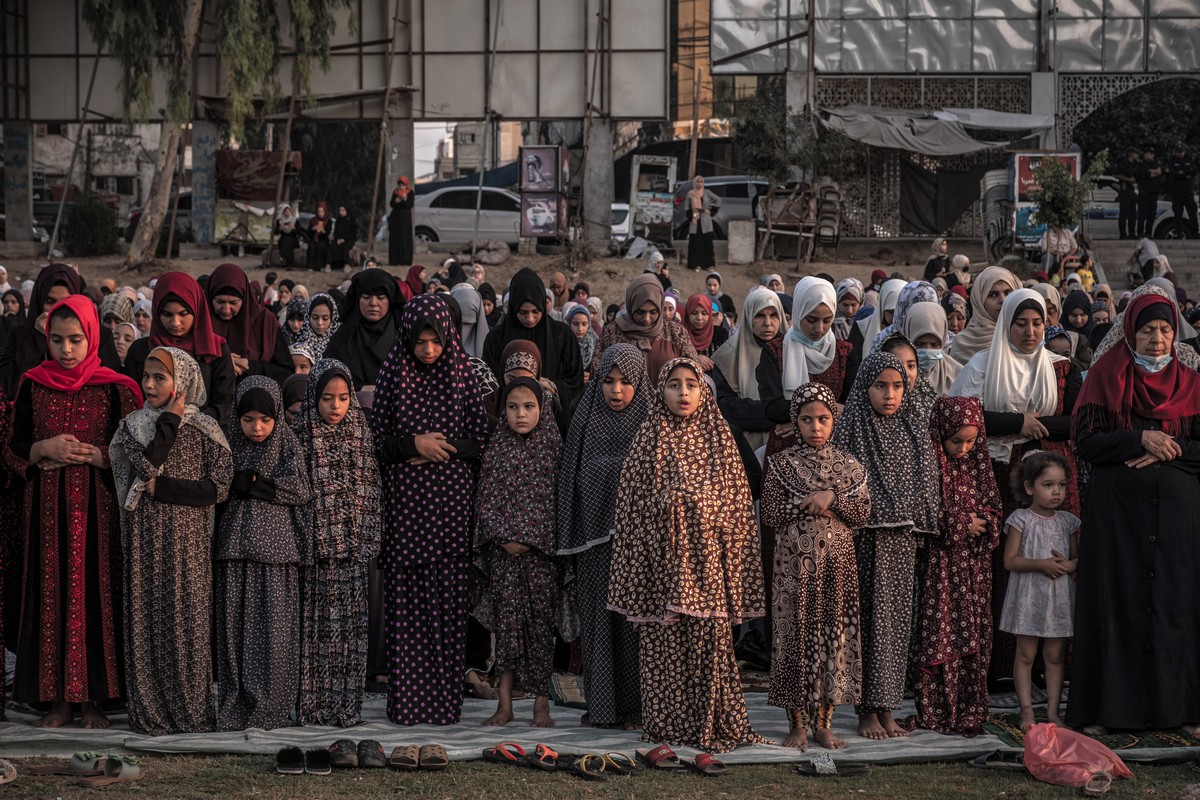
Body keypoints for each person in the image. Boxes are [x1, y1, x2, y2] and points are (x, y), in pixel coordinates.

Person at [608, 357, 767, 752]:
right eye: (674, 384)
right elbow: (631, 507)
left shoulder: (720, 437)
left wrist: (700, 507)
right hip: (663, 566)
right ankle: (668, 726)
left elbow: (738, 505)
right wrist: (671, 507)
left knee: (708, 643)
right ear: (660, 390)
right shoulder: (649, 439)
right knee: (664, 644)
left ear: (703, 390)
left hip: (707, 566)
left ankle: (713, 721)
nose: (683, 393)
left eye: (692, 385)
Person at [5, 296, 142, 729]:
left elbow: (133, 450)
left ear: (92, 337)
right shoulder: (33, 383)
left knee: (93, 599)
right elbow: (10, 448)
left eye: (76, 340)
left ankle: (94, 702)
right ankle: (57, 701)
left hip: (97, 517)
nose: (66, 350)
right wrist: (41, 449)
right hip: (45, 516)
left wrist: (99, 456)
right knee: (51, 597)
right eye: (58, 340)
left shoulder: (116, 387)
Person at [1070, 292, 1200, 735]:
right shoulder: (1105, 377)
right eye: (1147, 330)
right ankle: (1111, 712)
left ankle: (1179, 710)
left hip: (1177, 524)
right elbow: (1085, 442)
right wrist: (1138, 440)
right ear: (1131, 332)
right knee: (1116, 605)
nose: (1157, 340)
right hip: (1118, 521)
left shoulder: (1192, 383)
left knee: (1175, 606)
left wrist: (1170, 450)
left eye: (1165, 330)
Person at [372, 295, 488, 725]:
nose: (427, 351)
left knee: (448, 607)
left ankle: (443, 704)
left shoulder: (461, 375)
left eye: (435, 342)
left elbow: (481, 440)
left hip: (451, 511)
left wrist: (445, 446)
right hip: (407, 510)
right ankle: (408, 704)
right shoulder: (394, 374)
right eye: (420, 342)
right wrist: (412, 445)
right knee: (408, 604)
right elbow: (377, 441)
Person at [110, 346, 233, 735]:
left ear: (181, 382)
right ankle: (151, 714)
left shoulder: (206, 429)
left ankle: (192, 713)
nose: (148, 384)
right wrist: (169, 422)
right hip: (145, 537)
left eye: (159, 377)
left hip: (189, 540)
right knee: (147, 619)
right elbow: (143, 465)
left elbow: (219, 488)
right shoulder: (132, 426)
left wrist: (160, 488)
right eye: (146, 376)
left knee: (188, 620)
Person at [831, 351, 939, 740]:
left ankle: (888, 706)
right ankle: (865, 712)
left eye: (897, 386)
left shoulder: (913, 427)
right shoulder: (853, 427)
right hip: (865, 541)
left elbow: (926, 482)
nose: (890, 395)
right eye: (880, 386)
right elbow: (841, 482)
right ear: (865, 388)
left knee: (895, 624)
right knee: (867, 623)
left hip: (902, 544)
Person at [761, 382, 870, 750]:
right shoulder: (780, 464)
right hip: (793, 570)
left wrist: (833, 496)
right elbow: (771, 513)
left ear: (833, 420)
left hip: (836, 571)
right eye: (806, 420)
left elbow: (863, 512)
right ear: (796, 422)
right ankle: (797, 725)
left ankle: (824, 723)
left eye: (823, 419)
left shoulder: (850, 467)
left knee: (832, 642)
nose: (816, 427)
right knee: (794, 639)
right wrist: (811, 502)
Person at [557, 344, 650, 730]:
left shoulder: (649, 422)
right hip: (594, 545)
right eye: (609, 381)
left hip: (637, 547)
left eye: (626, 382)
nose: (616, 390)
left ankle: (633, 710)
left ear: (640, 383)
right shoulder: (585, 420)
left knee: (633, 629)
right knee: (598, 626)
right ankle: (601, 708)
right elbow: (568, 478)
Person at [214, 376, 312, 731]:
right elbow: (218, 484)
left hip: (276, 552)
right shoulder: (227, 444)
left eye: (266, 419)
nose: (257, 428)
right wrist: (236, 482)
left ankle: (271, 706)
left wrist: (254, 483)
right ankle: (236, 705)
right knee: (235, 633)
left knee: (274, 635)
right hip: (235, 550)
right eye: (248, 419)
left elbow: (300, 489)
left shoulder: (287, 443)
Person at [292, 358, 381, 727]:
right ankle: (314, 707)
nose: (336, 406)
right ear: (314, 397)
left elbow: (371, 489)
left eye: (344, 398)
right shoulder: (301, 435)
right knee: (316, 633)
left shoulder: (361, 433)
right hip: (317, 554)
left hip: (354, 552)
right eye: (327, 398)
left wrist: (364, 539)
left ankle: (347, 706)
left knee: (351, 633)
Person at [475, 377, 561, 728]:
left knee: (541, 629)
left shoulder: (553, 447)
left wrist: (530, 537)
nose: (521, 415)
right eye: (512, 407)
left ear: (542, 408)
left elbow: (555, 501)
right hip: (503, 557)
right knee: (506, 630)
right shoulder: (496, 448)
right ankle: (505, 704)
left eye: (529, 407)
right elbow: (486, 499)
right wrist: (501, 537)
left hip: (541, 557)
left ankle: (542, 704)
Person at [914, 396, 1002, 735]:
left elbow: (994, 506)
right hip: (941, 570)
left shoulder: (979, 467)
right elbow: (922, 513)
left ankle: (969, 708)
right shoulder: (927, 465)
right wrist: (958, 523)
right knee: (941, 634)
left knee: (974, 636)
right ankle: (938, 709)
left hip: (975, 571)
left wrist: (985, 522)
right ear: (939, 434)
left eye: (970, 440)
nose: (964, 448)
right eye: (955, 441)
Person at [1000, 451, 1078, 731]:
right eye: (1048, 485)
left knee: (1055, 656)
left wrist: (1069, 565)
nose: (1056, 492)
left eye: (1061, 484)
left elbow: (1075, 559)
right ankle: (1026, 711)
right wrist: (1042, 564)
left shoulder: (1068, 521)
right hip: (1029, 596)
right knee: (1026, 655)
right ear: (1029, 487)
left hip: (1058, 599)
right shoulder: (1020, 519)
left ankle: (1054, 712)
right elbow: (1010, 561)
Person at [123, 271, 237, 427]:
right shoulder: (141, 350)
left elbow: (224, 405)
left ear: (197, 309)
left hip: (203, 437)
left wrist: (185, 427)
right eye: (167, 314)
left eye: (184, 313)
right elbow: (131, 401)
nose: (175, 323)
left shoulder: (215, 350)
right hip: (148, 438)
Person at [482, 268, 583, 428]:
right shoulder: (496, 338)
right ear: (514, 308)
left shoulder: (561, 335)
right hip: (509, 419)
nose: (530, 318)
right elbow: (490, 382)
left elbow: (575, 380)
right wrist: (520, 384)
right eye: (523, 312)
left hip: (552, 421)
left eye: (536, 311)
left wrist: (552, 386)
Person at [711, 287, 787, 450]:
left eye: (773, 315)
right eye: (759, 315)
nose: (768, 323)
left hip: (788, 444)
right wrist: (777, 414)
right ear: (748, 317)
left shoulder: (793, 351)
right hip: (743, 447)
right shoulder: (728, 355)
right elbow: (723, 407)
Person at [592, 274, 697, 382]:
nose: (646, 319)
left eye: (653, 312)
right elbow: (597, 373)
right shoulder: (612, 332)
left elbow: (693, 372)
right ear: (630, 306)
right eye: (640, 312)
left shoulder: (676, 333)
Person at [206, 263, 292, 382]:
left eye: (233, 303)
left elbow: (286, 372)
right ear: (210, 298)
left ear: (245, 299)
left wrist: (250, 366)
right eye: (220, 302)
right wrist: (219, 362)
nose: (226, 310)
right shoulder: (200, 320)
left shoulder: (266, 322)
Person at [324, 269, 404, 393]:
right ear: (357, 300)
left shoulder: (403, 338)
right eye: (366, 297)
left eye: (381, 297)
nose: (373, 303)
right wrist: (357, 389)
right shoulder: (342, 339)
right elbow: (327, 377)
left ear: (390, 301)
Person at [948, 266, 1021, 364]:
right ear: (979, 302)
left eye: (1008, 293)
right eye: (992, 295)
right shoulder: (963, 343)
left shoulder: (1025, 337)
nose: (1003, 300)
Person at [903, 302, 962, 395]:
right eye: (920, 344)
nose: (927, 350)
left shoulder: (958, 375)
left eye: (934, 344)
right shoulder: (894, 371)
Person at [852, 278, 904, 359]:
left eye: (901, 313)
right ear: (882, 306)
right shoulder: (862, 328)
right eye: (891, 312)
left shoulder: (913, 332)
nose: (895, 318)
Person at [683, 293, 728, 371]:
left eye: (704, 313)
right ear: (687, 313)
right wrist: (694, 359)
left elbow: (726, 364)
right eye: (694, 313)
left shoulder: (720, 334)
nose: (699, 318)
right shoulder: (679, 334)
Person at [449, 282, 490, 361]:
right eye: (459, 323)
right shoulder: (438, 345)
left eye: (468, 323)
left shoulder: (491, 343)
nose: (464, 329)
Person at [685, 176, 719, 271]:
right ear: (694, 183)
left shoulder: (707, 193)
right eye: (697, 181)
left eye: (701, 181)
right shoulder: (690, 194)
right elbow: (686, 207)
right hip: (695, 220)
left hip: (705, 221)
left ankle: (708, 265)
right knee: (696, 243)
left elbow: (718, 200)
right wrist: (691, 215)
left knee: (707, 243)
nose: (699, 183)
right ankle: (696, 265)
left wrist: (711, 211)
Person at [1165, 143, 1198, 239]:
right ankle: (1178, 232)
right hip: (1177, 192)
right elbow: (1173, 174)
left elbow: (1194, 171)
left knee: (1192, 212)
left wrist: (1182, 173)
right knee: (1178, 214)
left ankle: (1195, 233)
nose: (1180, 154)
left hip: (1187, 191)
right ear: (1175, 152)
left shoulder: (1189, 160)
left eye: (1182, 152)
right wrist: (1185, 173)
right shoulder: (1172, 161)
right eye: (1179, 152)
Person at [297, 292, 341, 361]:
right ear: (308, 317)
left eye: (325, 318)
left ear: (332, 318)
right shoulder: (299, 343)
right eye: (315, 317)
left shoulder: (340, 344)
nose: (320, 323)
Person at [1111, 148, 1140, 240]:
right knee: (1124, 213)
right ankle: (1123, 234)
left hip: (1133, 190)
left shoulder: (1135, 164)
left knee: (1133, 214)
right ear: (1131, 154)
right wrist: (1128, 179)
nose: (1137, 156)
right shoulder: (1123, 164)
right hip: (1125, 189)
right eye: (1136, 153)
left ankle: (1132, 233)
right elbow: (1115, 174)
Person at [388, 177, 415, 267]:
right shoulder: (395, 192)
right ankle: (395, 260)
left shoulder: (410, 192)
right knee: (395, 238)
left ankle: (406, 260)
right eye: (400, 185)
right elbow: (392, 204)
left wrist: (404, 199)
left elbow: (410, 204)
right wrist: (396, 201)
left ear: (406, 185)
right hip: (395, 218)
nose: (401, 187)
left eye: (403, 185)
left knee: (405, 238)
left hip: (405, 219)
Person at [1137, 146, 1163, 238]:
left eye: (1152, 154)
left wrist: (1152, 172)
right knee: (1142, 214)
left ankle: (1148, 233)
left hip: (1154, 193)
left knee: (1151, 215)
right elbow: (1147, 174)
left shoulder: (1155, 163)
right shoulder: (1141, 165)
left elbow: (1159, 172)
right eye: (1149, 154)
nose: (1152, 155)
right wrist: (1152, 172)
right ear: (1145, 155)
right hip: (1145, 193)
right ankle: (1140, 233)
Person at [566, 305, 597, 376]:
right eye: (575, 324)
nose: (580, 328)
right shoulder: (562, 344)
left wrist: (591, 376)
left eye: (584, 324)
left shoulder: (596, 344)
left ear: (589, 325)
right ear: (569, 323)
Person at [329, 204, 358, 273]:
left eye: (343, 210)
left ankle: (347, 264)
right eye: (340, 210)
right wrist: (338, 239)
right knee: (332, 246)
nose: (341, 212)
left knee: (345, 246)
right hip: (339, 239)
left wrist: (344, 239)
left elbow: (353, 233)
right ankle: (329, 264)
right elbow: (335, 232)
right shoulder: (338, 220)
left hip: (349, 240)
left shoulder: (351, 220)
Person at [307, 202, 332, 271]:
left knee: (321, 246)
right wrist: (313, 229)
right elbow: (308, 232)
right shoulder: (313, 220)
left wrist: (322, 231)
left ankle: (320, 266)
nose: (320, 213)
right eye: (318, 211)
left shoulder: (328, 221)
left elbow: (327, 233)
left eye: (321, 211)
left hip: (323, 239)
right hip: (314, 238)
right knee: (312, 246)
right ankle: (310, 266)